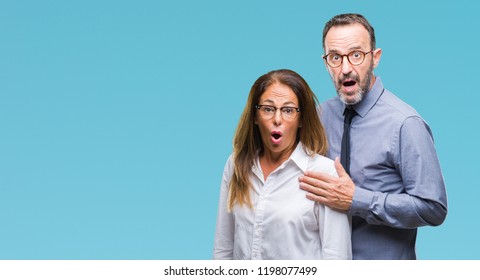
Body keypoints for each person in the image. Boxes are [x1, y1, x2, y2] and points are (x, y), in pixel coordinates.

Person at [299, 13, 448, 259]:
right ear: (326, 63)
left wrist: (356, 199)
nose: (346, 68)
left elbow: (433, 208)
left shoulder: (405, 124)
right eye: (335, 57)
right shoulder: (320, 116)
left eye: (356, 55)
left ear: (375, 58)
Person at [213, 69, 352, 260]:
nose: (277, 119)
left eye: (288, 110)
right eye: (268, 109)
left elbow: (337, 258)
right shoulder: (236, 165)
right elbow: (223, 249)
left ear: (301, 119)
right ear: (255, 116)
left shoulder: (324, 173)